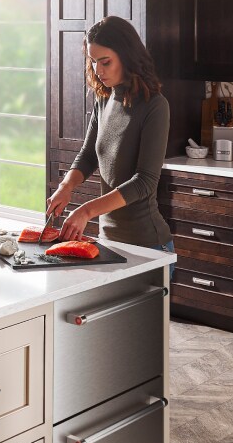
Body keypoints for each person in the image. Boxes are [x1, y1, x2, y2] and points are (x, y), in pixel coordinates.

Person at [46, 15, 172, 264]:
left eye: (105, 62)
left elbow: (144, 182)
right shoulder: (104, 100)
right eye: (93, 62)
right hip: (109, 242)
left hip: (149, 247)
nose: (98, 70)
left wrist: (86, 210)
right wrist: (65, 187)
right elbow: (89, 155)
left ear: (127, 57)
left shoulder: (155, 106)